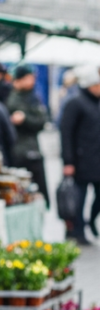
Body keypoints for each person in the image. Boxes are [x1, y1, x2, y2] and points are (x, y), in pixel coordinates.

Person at [59, 64, 100, 244]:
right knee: (78, 199)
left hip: (97, 159)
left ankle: (91, 221)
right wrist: (68, 161)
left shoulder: (96, 103)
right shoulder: (75, 103)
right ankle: (77, 231)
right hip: (80, 160)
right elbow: (66, 133)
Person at [5, 64, 50, 208]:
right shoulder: (9, 96)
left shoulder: (33, 97)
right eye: (30, 77)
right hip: (15, 151)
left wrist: (25, 119)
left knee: (37, 192)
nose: (33, 81)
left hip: (32, 150)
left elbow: (42, 120)